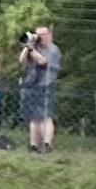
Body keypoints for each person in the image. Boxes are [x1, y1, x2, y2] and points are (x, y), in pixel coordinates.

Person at [20, 25, 61, 153]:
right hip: (31, 84)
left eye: (42, 34)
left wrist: (32, 50)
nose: (39, 37)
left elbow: (42, 61)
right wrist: (27, 46)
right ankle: (33, 145)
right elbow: (21, 60)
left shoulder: (53, 49)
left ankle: (47, 144)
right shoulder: (35, 47)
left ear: (49, 35)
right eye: (38, 34)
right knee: (34, 116)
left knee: (45, 116)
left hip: (46, 85)